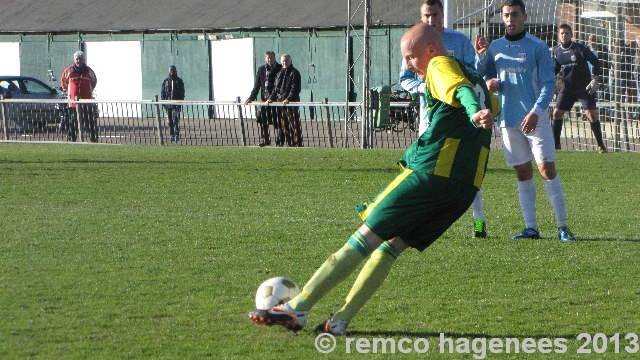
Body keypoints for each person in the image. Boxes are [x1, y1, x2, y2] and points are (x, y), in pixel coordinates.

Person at [249, 23, 499, 335]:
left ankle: (297, 308)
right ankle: (339, 321)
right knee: (391, 245)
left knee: (365, 236)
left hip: (431, 173)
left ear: (431, 51)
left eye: (410, 57)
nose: (408, 65)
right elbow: (487, 101)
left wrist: (473, 110)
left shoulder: (439, 64)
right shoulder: (476, 76)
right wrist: (482, 107)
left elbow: (460, 92)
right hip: (465, 187)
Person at [485, 0, 575, 242]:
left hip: (536, 119)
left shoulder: (538, 47)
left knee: (546, 170)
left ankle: (563, 226)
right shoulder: (495, 47)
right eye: (506, 15)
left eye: (515, 14)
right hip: (508, 120)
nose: (510, 19)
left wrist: (536, 111)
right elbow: (484, 73)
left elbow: (548, 84)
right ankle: (531, 228)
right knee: (523, 172)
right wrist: (489, 82)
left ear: (525, 16)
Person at [399, 0, 490, 238]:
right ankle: (418, 221)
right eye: (426, 16)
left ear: (443, 14)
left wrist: (480, 61)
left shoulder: (458, 41)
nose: (430, 20)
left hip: (459, 119)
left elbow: (471, 75)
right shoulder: (414, 43)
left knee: (467, 171)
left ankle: (479, 224)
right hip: (429, 117)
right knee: (423, 169)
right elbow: (405, 79)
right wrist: (428, 88)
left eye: (435, 15)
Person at [552, 24, 607, 153]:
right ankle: (556, 145)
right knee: (557, 113)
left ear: (571, 35)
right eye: (562, 33)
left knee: (591, 114)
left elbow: (595, 61)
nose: (564, 35)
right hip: (568, 87)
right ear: (559, 35)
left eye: (566, 33)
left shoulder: (579, 49)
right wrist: (549, 81)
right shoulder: (556, 51)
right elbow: (555, 69)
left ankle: (601, 146)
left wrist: (596, 78)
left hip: (584, 86)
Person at [245, 51, 283, 147]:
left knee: (277, 121)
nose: (270, 59)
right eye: (268, 57)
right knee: (262, 119)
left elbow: (278, 86)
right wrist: (250, 98)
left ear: (274, 58)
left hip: (276, 100)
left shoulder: (279, 69)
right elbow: (257, 86)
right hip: (264, 100)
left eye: (271, 57)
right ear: (265, 58)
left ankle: (279, 140)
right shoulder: (262, 69)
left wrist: (272, 97)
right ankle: (265, 139)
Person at [60, 50, 98, 142]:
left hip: (87, 102)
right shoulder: (69, 71)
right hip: (73, 103)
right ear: (74, 60)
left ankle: (93, 139)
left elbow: (94, 82)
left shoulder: (89, 71)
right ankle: (72, 138)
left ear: (83, 60)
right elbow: (63, 83)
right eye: (77, 59)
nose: (78, 61)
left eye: (80, 59)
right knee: (73, 122)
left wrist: (88, 92)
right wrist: (70, 92)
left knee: (90, 121)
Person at [266, 54, 302, 147]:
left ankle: (298, 145)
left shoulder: (294, 73)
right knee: (284, 126)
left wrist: (288, 99)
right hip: (280, 103)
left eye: (286, 60)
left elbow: (295, 88)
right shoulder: (279, 73)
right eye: (283, 61)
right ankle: (290, 144)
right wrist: (270, 98)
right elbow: (275, 88)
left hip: (291, 104)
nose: (284, 62)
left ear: (290, 61)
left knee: (294, 125)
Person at [161, 65, 185, 142]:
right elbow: (163, 93)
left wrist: (180, 101)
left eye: (173, 70)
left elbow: (182, 92)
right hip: (168, 105)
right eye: (170, 70)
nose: (171, 71)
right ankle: (171, 134)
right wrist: (164, 103)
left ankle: (177, 134)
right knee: (169, 120)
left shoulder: (179, 81)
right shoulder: (166, 81)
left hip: (176, 104)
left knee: (176, 119)